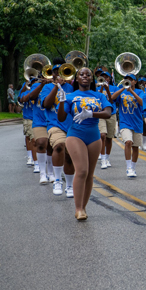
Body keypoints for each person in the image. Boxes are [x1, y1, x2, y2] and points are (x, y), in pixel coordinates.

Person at [58, 67, 112, 220]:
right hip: (76, 135)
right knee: (81, 171)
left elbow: (107, 113)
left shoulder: (99, 96)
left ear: (92, 79)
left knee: (89, 174)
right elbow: (61, 118)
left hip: (94, 136)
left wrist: (91, 114)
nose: (85, 76)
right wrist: (62, 102)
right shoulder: (70, 96)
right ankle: (78, 208)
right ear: (77, 78)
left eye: (88, 74)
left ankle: (84, 207)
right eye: (81, 74)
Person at [40, 60, 75, 197]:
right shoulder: (47, 88)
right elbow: (47, 104)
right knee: (59, 146)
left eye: (62, 71)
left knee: (69, 156)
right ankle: (58, 181)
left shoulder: (71, 88)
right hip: (54, 124)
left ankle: (70, 186)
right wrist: (56, 87)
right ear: (53, 74)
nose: (59, 74)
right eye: (56, 71)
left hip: (70, 125)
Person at [111, 74, 144, 177]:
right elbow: (112, 98)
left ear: (135, 82)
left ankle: (133, 168)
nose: (129, 81)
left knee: (135, 147)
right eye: (127, 79)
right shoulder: (121, 91)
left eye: (131, 79)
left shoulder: (140, 92)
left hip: (137, 123)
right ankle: (128, 167)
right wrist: (122, 89)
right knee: (128, 142)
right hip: (125, 122)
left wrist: (132, 92)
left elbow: (142, 103)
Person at [29, 72, 55, 184]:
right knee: (40, 142)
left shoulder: (56, 85)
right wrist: (42, 85)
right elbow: (31, 97)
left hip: (52, 120)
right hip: (39, 120)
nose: (47, 77)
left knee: (50, 146)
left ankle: (51, 172)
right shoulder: (36, 85)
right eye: (45, 74)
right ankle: (42, 174)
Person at [97, 71, 118, 169]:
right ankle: (103, 159)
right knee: (102, 135)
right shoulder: (96, 87)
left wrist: (108, 90)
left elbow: (112, 100)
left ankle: (108, 157)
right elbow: (97, 99)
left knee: (109, 138)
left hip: (111, 113)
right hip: (101, 113)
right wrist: (101, 88)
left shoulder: (114, 88)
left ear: (109, 79)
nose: (104, 78)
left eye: (106, 77)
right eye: (102, 77)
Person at [19, 78, 37, 167]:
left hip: (38, 117)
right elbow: (20, 99)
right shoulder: (26, 86)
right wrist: (26, 85)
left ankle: (38, 157)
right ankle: (30, 156)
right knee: (29, 136)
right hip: (28, 115)